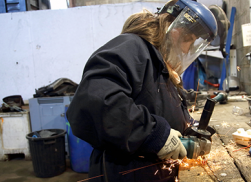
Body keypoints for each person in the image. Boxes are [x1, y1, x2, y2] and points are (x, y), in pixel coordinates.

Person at [66, 0, 221, 181]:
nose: (188, 51)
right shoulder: (133, 47)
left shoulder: (161, 68)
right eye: (191, 42)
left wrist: (190, 128)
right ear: (177, 32)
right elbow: (95, 100)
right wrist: (153, 134)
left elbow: (161, 109)